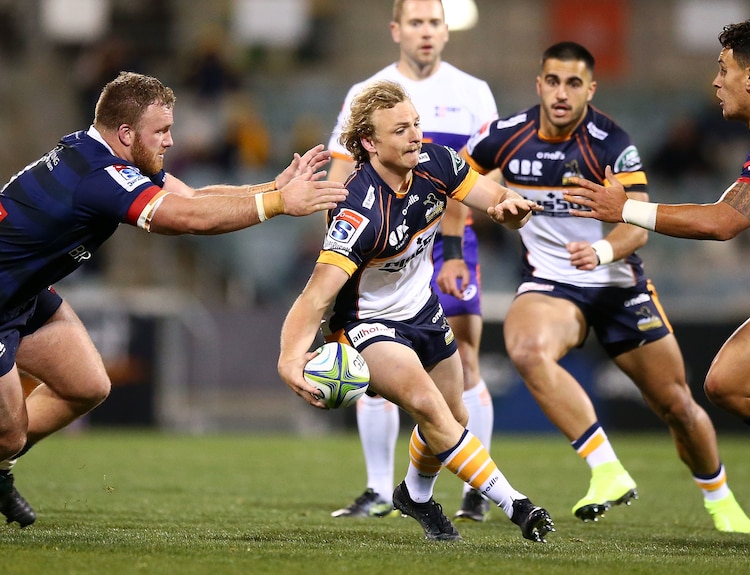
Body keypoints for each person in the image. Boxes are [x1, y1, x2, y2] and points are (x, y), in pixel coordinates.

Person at [0, 71, 346, 527]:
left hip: (24, 294)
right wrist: (279, 205)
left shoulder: (102, 156)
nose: (170, 140)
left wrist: (272, 190)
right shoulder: (97, 176)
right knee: (7, 436)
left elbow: (194, 196)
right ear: (126, 134)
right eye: (161, 131)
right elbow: (185, 218)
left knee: (87, 386)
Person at [569, 19, 750, 548]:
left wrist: (628, 208)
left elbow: (724, 223)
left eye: (722, 69)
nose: (715, 81)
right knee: (728, 382)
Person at [461, 41, 750, 533]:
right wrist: (454, 249)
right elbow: (455, 184)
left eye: (573, 83)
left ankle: (719, 498)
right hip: (552, 282)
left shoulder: (611, 143)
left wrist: (600, 252)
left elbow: (637, 226)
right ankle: (607, 470)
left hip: (618, 284)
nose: (561, 93)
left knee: (676, 405)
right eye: (552, 81)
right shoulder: (504, 137)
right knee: (527, 350)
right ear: (539, 84)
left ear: (590, 90)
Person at [277, 79, 553, 543]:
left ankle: (416, 496)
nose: (415, 136)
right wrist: (289, 359)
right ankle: (517, 504)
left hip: (422, 308)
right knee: (429, 406)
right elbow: (316, 296)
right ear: (369, 142)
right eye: (401, 130)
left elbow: (491, 196)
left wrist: (510, 209)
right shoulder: (358, 211)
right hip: (366, 325)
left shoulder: (437, 162)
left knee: (453, 417)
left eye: (417, 125)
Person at [326, 0, 497, 522]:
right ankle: (380, 489)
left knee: (464, 361)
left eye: (434, 22)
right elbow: (338, 179)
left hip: (453, 244)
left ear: (446, 31)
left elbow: (488, 182)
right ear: (397, 30)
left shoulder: (474, 93)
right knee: (373, 367)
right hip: (380, 247)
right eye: (416, 22)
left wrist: (453, 246)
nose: (426, 32)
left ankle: (473, 488)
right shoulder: (367, 93)